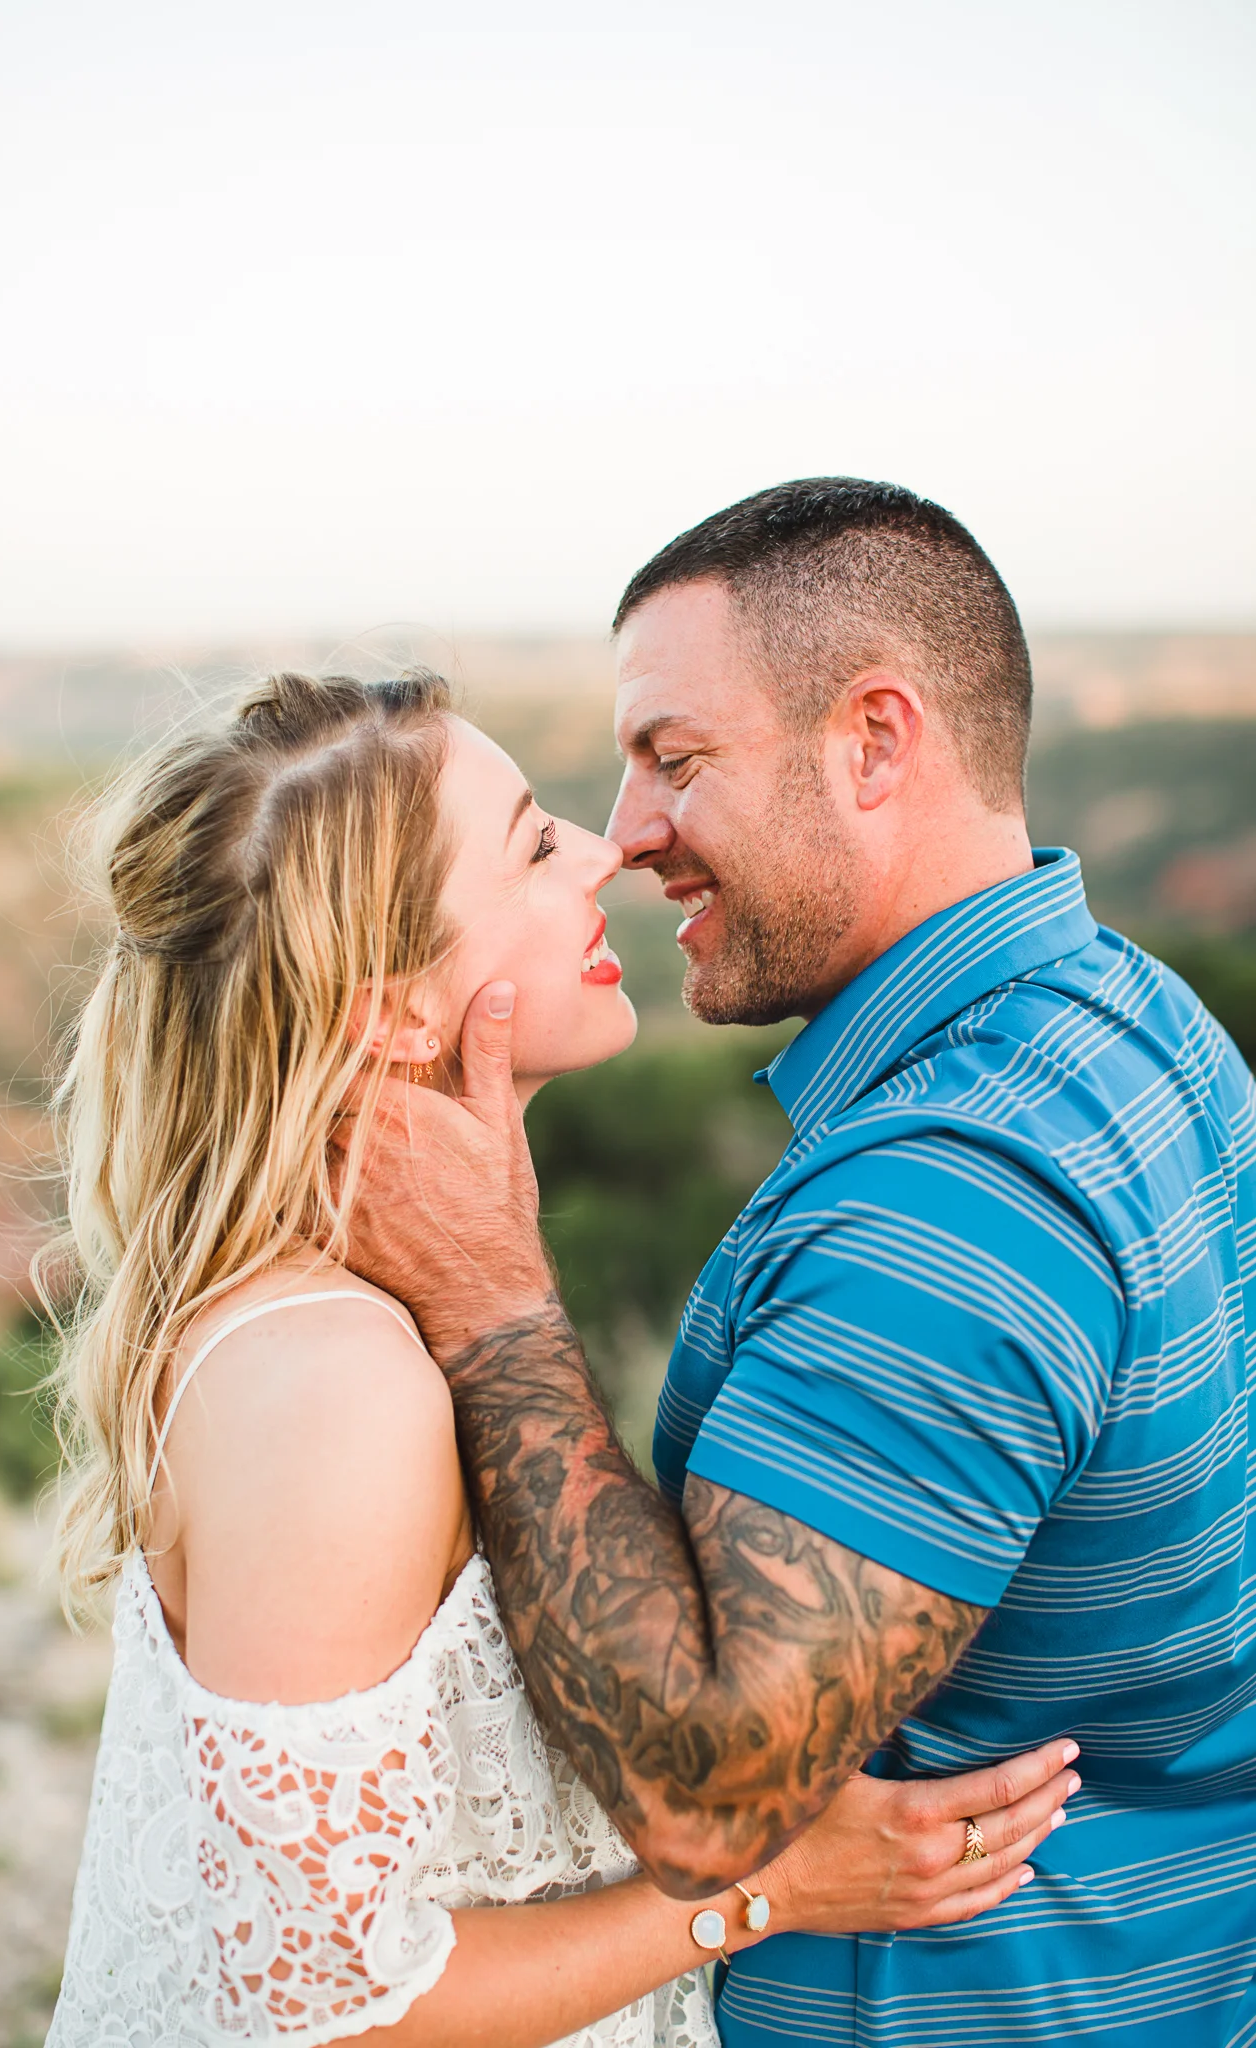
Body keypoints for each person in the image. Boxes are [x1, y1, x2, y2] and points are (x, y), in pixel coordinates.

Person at [346, 480, 1256, 2047]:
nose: (628, 833)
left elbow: (708, 1802)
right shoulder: (1141, 1023)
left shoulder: (950, 1205)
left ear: (876, 741)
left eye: (675, 759)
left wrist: (494, 1306)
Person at [41, 669, 1069, 2048]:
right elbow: (328, 2013)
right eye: (533, 845)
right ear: (396, 1012)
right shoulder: (336, 1385)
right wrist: (771, 1887)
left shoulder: (373, 1317)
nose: (602, 852)